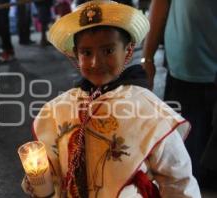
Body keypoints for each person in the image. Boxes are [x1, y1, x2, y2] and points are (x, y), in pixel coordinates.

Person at [21, 1, 201, 197]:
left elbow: (177, 178)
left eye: (108, 51)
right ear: (76, 55)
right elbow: (52, 169)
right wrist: (39, 181)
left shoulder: (149, 110)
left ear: (128, 50)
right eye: (86, 52)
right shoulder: (59, 109)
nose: (96, 62)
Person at [142, 0, 217, 186]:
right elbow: (160, 4)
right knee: (183, 168)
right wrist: (148, 58)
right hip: (188, 69)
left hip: (190, 64)